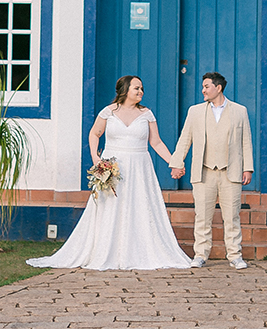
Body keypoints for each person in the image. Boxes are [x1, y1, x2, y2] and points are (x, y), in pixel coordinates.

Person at [27, 75, 193, 270]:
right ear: (125, 90)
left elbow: (155, 142)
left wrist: (174, 162)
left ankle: (138, 251)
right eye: (136, 88)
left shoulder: (147, 114)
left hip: (139, 167)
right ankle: (107, 250)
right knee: (111, 207)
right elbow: (94, 134)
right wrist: (96, 159)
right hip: (113, 166)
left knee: (140, 205)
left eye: (141, 89)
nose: (140, 92)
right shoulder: (108, 112)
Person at [170, 71, 253, 269]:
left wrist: (248, 168)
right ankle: (200, 254)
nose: (203, 90)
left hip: (230, 171)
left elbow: (246, 142)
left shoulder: (240, 111)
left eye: (206, 86)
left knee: (232, 216)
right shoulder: (195, 111)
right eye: (203, 86)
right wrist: (176, 162)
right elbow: (185, 139)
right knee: (202, 215)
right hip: (204, 171)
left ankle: (234, 255)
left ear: (219, 88)